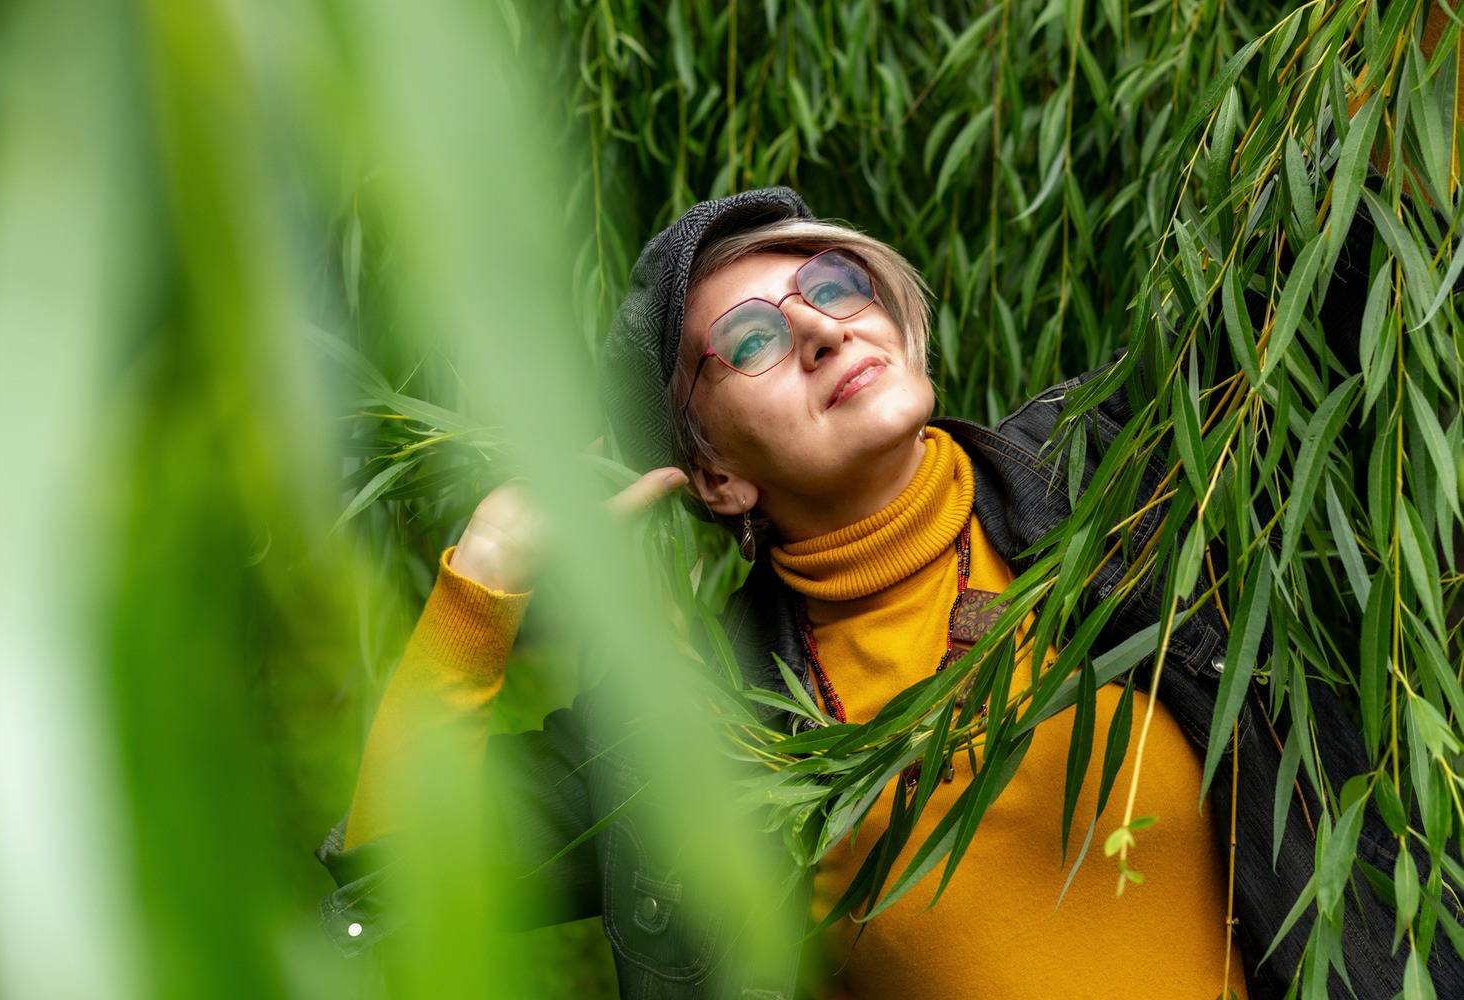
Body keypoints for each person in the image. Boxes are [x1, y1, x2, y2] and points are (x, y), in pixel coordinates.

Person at [317, 182, 1461, 998]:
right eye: (751, 341)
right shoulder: (701, 734)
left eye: (832, 281)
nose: (822, 326)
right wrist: (485, 578)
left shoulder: (1119, 474)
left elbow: (1370, 237)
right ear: (714, 474)